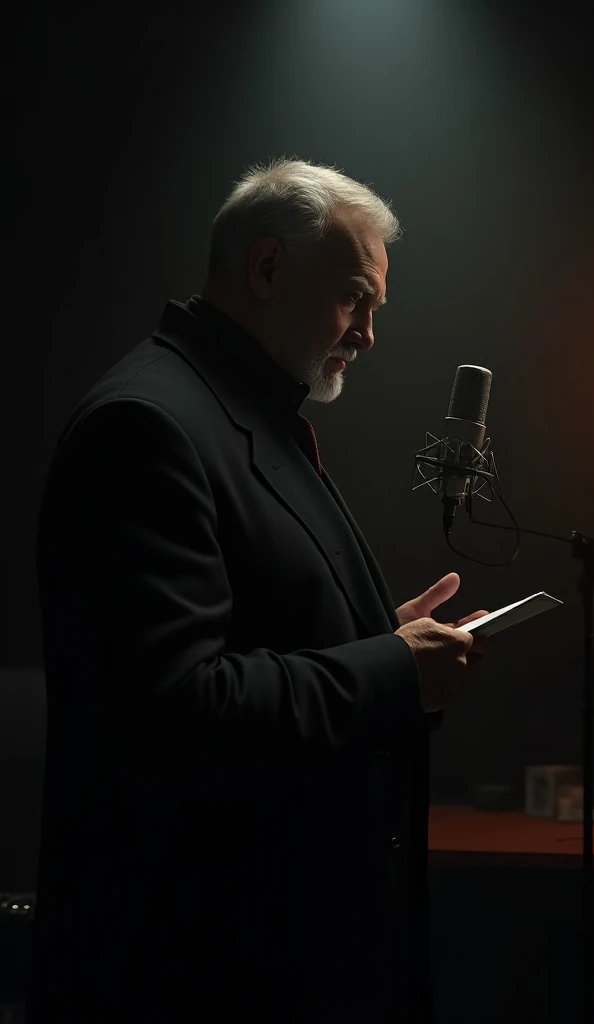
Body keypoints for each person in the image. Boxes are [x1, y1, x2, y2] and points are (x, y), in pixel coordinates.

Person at [26, 157, 489, 1023]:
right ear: (268, 268)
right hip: (201, 980)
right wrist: (391, 668)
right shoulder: (148, 426)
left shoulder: (241, 409)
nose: (368, 335)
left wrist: (373, 634)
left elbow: (256, 636)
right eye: (356, 298)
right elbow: (171, 713)